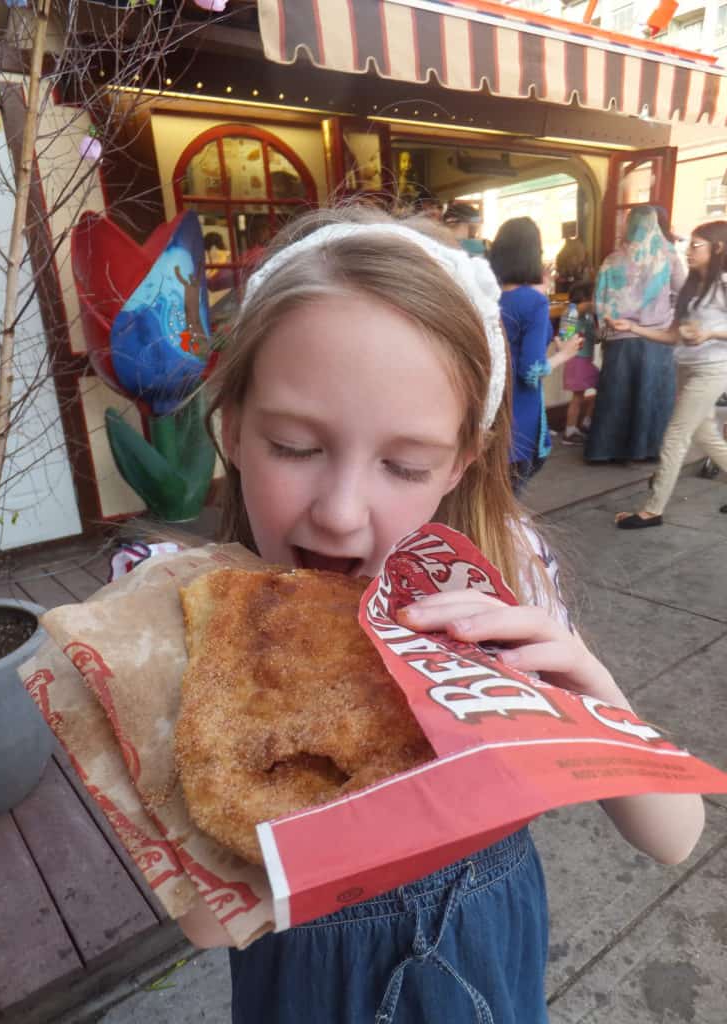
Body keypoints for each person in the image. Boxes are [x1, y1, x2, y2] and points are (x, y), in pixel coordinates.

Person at [175, 206, 704, 1022]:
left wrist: (588, 690)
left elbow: (674, 837)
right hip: (313, 986)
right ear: (235, 429)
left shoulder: (499, 591)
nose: (343, 513)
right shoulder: (195, 632)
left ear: (458, 461)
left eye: (405, 464)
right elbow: (208, 923)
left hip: (486, 958)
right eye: (294, 447)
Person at [613, 220, 727, 528]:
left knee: (676, 436)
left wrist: (710, 335)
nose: (688, 250)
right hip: (687, 367)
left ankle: (653, 510)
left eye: (695, 244)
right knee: (706, 435)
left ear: (717, 248)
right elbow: (672, 334)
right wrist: (633, 327)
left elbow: (712, 332)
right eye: (689, 244)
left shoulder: (724, 284)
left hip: (713, 370)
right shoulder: (693, 285)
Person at [585, 205, 686, 464]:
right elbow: (683, 293)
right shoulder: (669, 257)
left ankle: (605, 450)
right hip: (657, 337)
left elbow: (599, 301)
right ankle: (648, 449)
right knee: (652, 394)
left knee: (616, 395)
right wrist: (666, 313)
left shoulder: (613, 259)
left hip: (620, 338)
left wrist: (605, 329)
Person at [489, 216, 582, 492]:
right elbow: (531, 372)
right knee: (511, 490)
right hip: (520, 413)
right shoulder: (533, 301)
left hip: (489, 408)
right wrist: (563, 354)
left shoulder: (487, 297)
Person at [561, 281, 600, 445]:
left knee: (599, 387)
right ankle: (570, 431)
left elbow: (595, 336)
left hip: (584, 360)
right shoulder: (571, 311)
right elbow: (565, 333)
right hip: (577, 359)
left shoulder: (588, 316)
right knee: (578, 396)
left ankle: (585, 422)